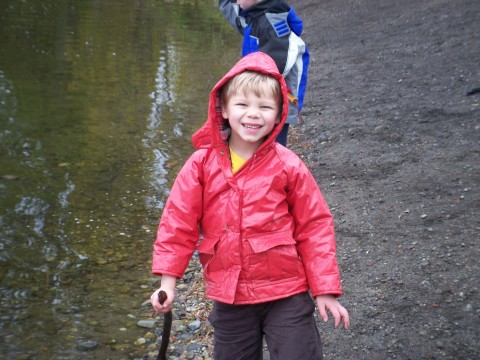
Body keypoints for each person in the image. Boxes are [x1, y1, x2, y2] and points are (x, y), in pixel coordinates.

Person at [150, 52, 348, 360]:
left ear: (279, 113)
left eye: (265, 107)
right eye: (242, 105)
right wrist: (168, 284)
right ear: (224, 109)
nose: (253, 114)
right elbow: (178, 225)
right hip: (230, 298)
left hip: (287, 293)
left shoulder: (287, 165)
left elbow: (315, 225)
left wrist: (324, 289)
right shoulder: (201, 165)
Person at [218, 0, 310, 147]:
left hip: (277, 99)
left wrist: (247, 84)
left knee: (273, 146)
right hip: (257, 95)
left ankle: (274, 168)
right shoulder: (254, 17)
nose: (236, 1)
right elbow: (233, 15)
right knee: (253, 142)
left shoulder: (271, 21)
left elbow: (278, 61)